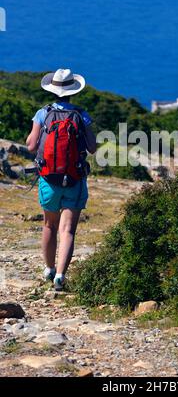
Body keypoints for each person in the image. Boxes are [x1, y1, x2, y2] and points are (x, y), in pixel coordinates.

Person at [26, 69, 97, 290]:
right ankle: (60, 276)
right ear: (73, 91)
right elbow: (93, 148)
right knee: (68, 230)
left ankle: (48, 269)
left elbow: (30, 145)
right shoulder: (81, 115)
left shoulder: (43, 113)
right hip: (74, 178)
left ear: (52, 89)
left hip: (48, 178)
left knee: (49, 225)